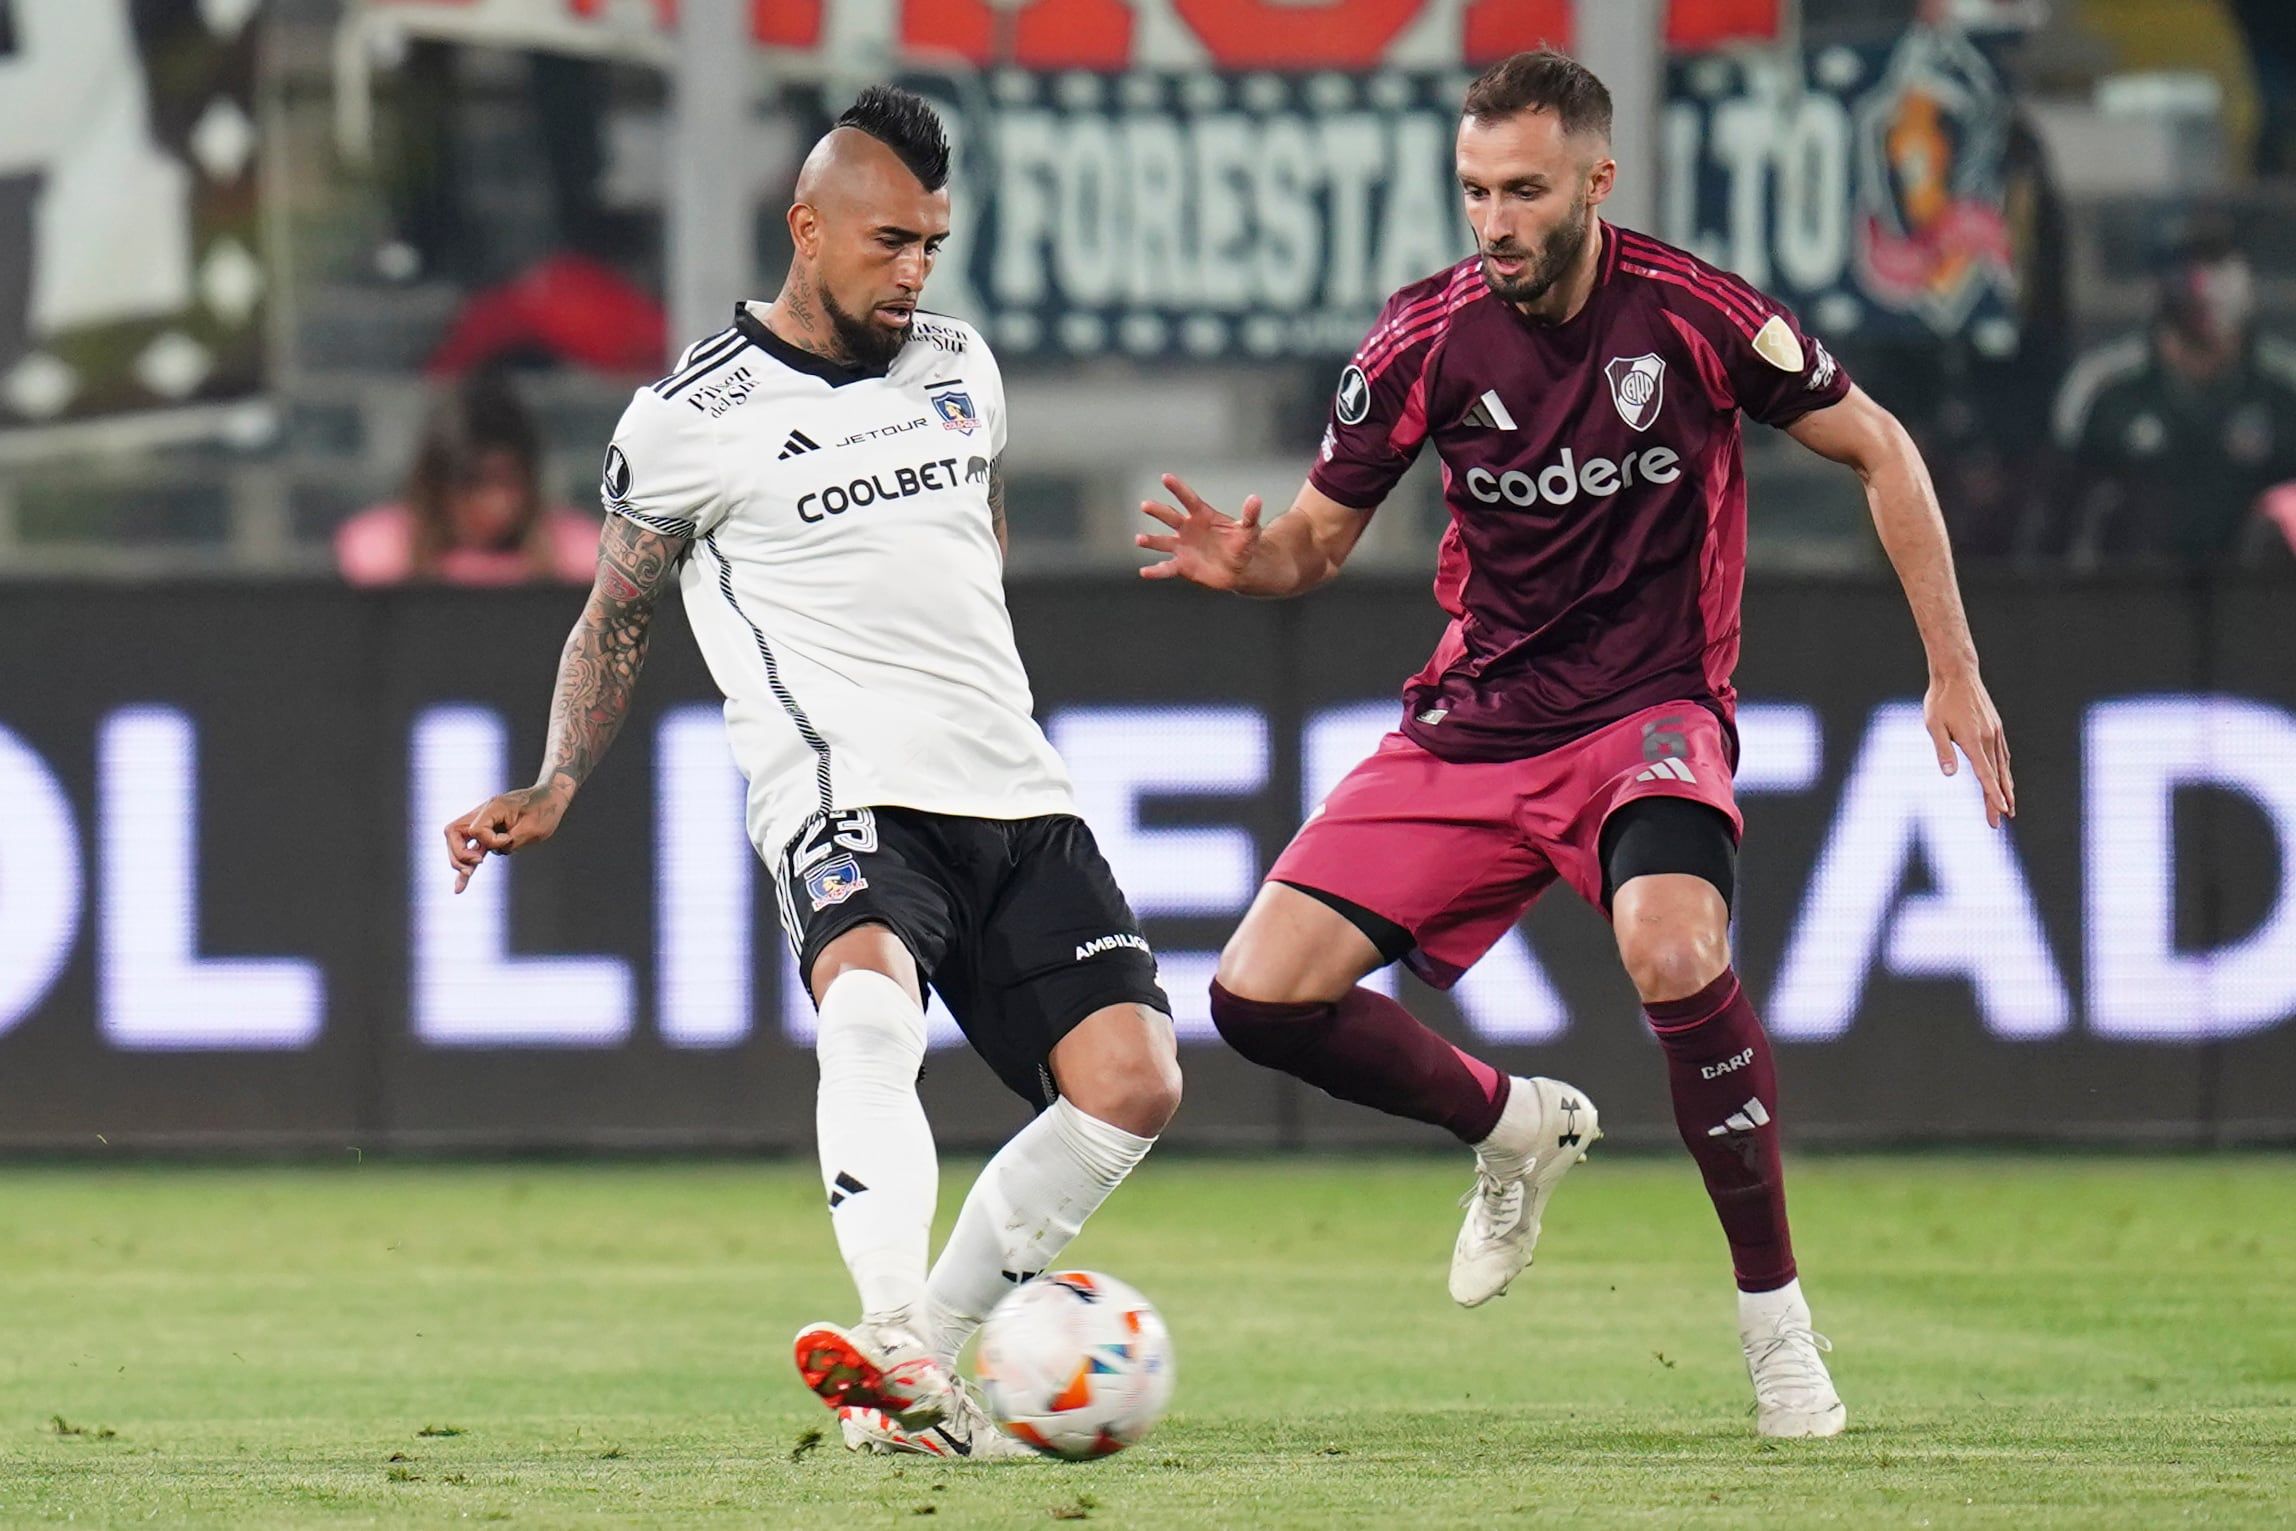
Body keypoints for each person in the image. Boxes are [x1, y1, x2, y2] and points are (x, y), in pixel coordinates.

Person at [1137, 50, 2014, 1440]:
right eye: (1476, 190)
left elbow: (1883, 448)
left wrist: (1953, 665)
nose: (1495, 221)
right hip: (1474, 723)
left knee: (1674, 948)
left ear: (1596, 183)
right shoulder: (1419, 341)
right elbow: (1314, 535)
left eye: (1526, 191)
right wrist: (1254, 562)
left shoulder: (1697, 315)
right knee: (1253, 997)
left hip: (1647, 712)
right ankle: (1509, 1125)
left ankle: (1776, 1323)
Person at [442, 87, 1180, 1460]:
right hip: (842, 785)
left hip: (1014, 785)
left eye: (932, 245)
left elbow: (976, 540)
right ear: (807, 228)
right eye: (889, 240)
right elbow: (617, 612)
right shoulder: (687, 417)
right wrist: (553, 782)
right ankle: (894, 1325)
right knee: (869, 1009)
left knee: (1136, 1081)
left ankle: (921, 1377)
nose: (913, 271)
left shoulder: (962, 364)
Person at [2048, 220, 2296, 567]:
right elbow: (2062, 517)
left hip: (2263, 605)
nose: (2205, 284)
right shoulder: (2104, 390)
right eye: (2190, 265)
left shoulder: (2284, 390)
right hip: (2129, 602)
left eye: (2220, 264)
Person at [336, 373, 598, 586]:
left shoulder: (577, 555)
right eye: (473, 483)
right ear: (435, 484)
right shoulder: (385, 551)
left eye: (510, 482)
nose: (496, 503)